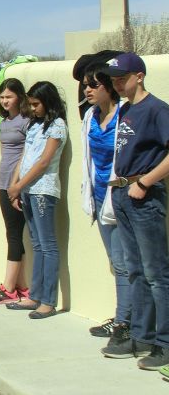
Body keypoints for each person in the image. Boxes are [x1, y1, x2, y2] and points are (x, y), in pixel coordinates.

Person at [94, 53, 169, 372]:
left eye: (121, 78)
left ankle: (163, 344)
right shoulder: (125, 108)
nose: (116, 83)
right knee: (135, 270)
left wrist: (146, 183)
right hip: (123, 193)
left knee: (156, 273)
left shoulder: (157, 110)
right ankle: (141, 336)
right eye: (113, 79)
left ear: (139, 76)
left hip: (144, 194)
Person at [77, 64, 131, 343]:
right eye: (85, 85)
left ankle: (125, 321)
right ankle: (125, 317)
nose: (87, 90)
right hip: (99, 198)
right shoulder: (89, 116)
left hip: (121, 197)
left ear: (109, 87)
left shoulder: (126, 114)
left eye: (93, 85)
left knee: (125, 263)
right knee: (116, 261)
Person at [5, 81, 68, 319]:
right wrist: (16, 186)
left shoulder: (57, 126)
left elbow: (43, 162)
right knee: (37, 244)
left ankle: (48, 301)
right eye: (30, 104)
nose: (32, 108)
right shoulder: (34, 125)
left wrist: (20, 185)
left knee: (48, 245)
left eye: (36, 104)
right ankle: (35, 295)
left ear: (48, 102)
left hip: (43, 190)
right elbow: (25, 157)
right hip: (27, 191)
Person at [0, 78, 31, 305]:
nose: (4, 100)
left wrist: (17, 184)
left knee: (14, 234)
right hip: (2, 183)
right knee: (12, 232)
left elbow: (28, 153)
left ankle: (8, 288)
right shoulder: (5, 122)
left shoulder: (26, 121)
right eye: (2, 97)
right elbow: (4, 152)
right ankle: (21, 287)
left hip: (17, 185)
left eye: (9, 96)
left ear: (19, 97)